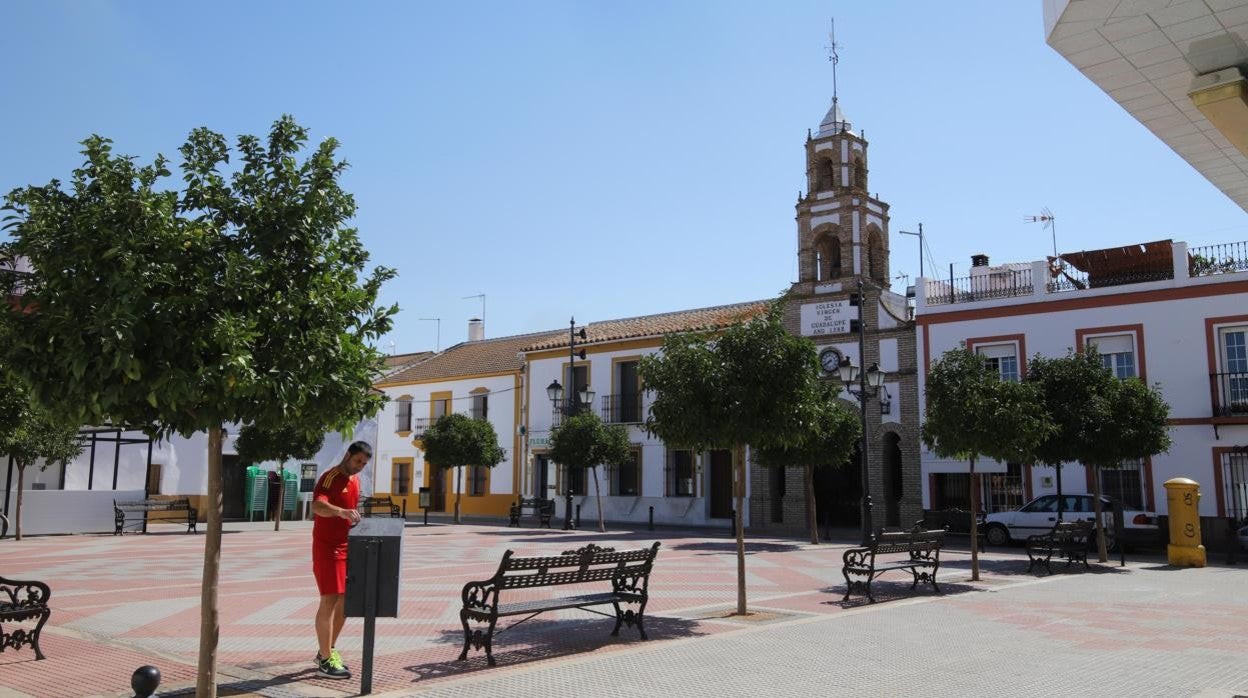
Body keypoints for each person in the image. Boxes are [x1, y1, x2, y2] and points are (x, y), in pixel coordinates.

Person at [310, 441, 370, 679]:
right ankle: (326, 661)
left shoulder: (356, 481)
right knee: (329, 600)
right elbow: (317, 506)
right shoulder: (330, 477)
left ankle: (326, 650)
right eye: (357, 461)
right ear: (348, 455)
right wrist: (340, 512)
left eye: (364, 464)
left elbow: (352, 507)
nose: (359, 467)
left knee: (346, 601)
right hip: (327, 549)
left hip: (347, 547)